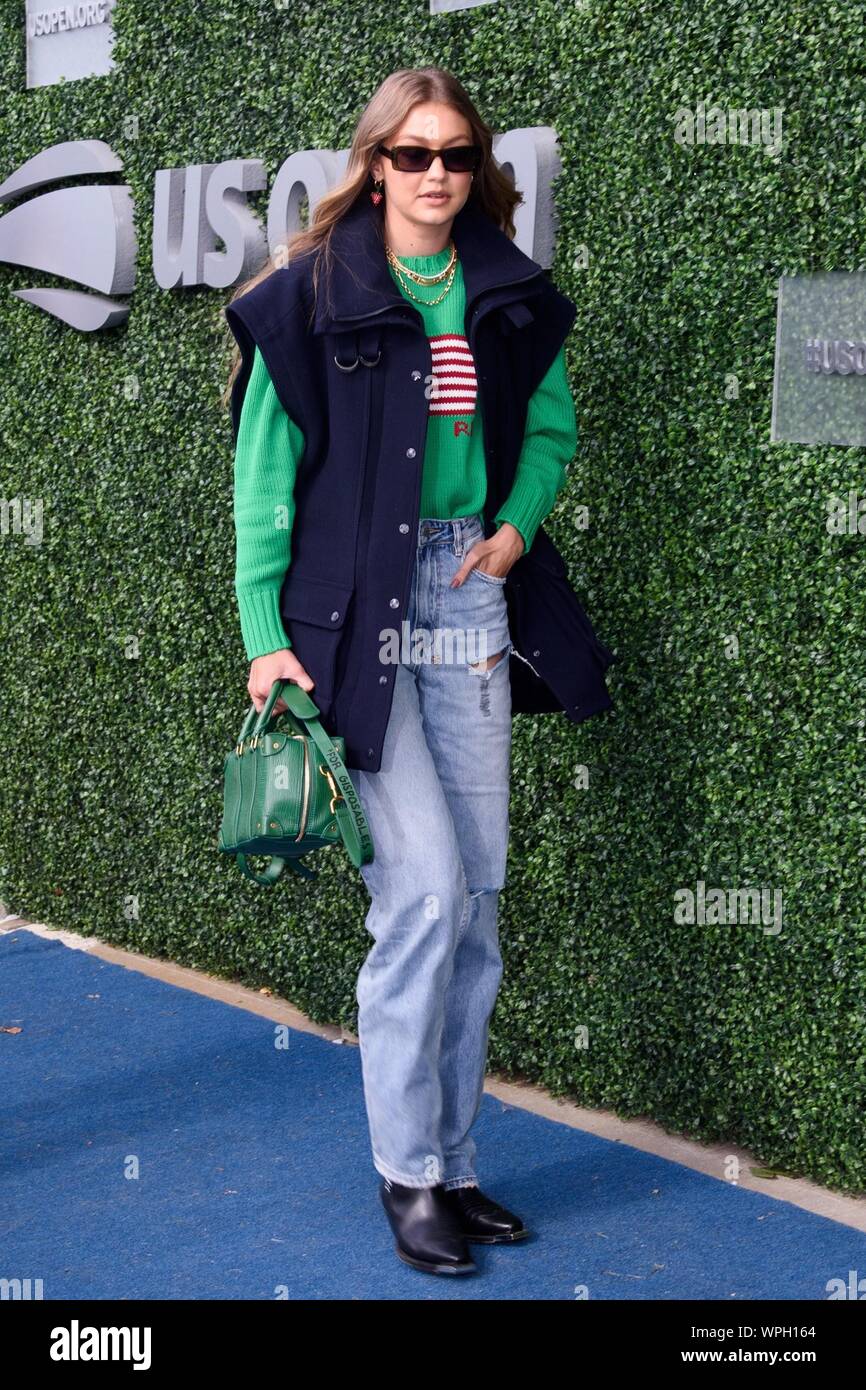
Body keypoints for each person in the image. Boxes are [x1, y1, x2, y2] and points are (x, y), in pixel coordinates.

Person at [224, 66, 614, 1278]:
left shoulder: (505, 292)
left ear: (474, 169)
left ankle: (452, 1163)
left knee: (480, 900)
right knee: (424, 895)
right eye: (411, 154)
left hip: (468, 595)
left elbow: (545, 427)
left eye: (453, 156)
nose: (433, 175)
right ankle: (403, 1175)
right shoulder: (308, 298)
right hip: (353, 619)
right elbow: (263, 477)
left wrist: (512, 525)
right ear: (374, 162)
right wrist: (262, 630)